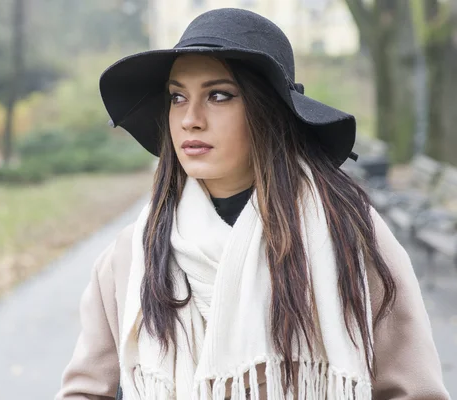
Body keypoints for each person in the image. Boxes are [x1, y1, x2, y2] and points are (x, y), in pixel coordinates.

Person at [56, 8, 448, 400]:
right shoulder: (134, 254)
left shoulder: (348, 234)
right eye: (177, 97)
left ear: (268, 109)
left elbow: (414, 390)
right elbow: (86, 391)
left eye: (219, 95)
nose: (190, 119)